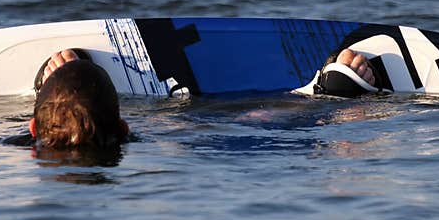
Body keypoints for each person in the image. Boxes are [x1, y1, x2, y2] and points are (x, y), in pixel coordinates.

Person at [28, 46, 375, 149]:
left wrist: (63, 93)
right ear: (122, 128)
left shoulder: (6, 144)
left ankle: (55, 92)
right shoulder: (137, 136)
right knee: (248, 121)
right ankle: (322, 97)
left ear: (30, 127)